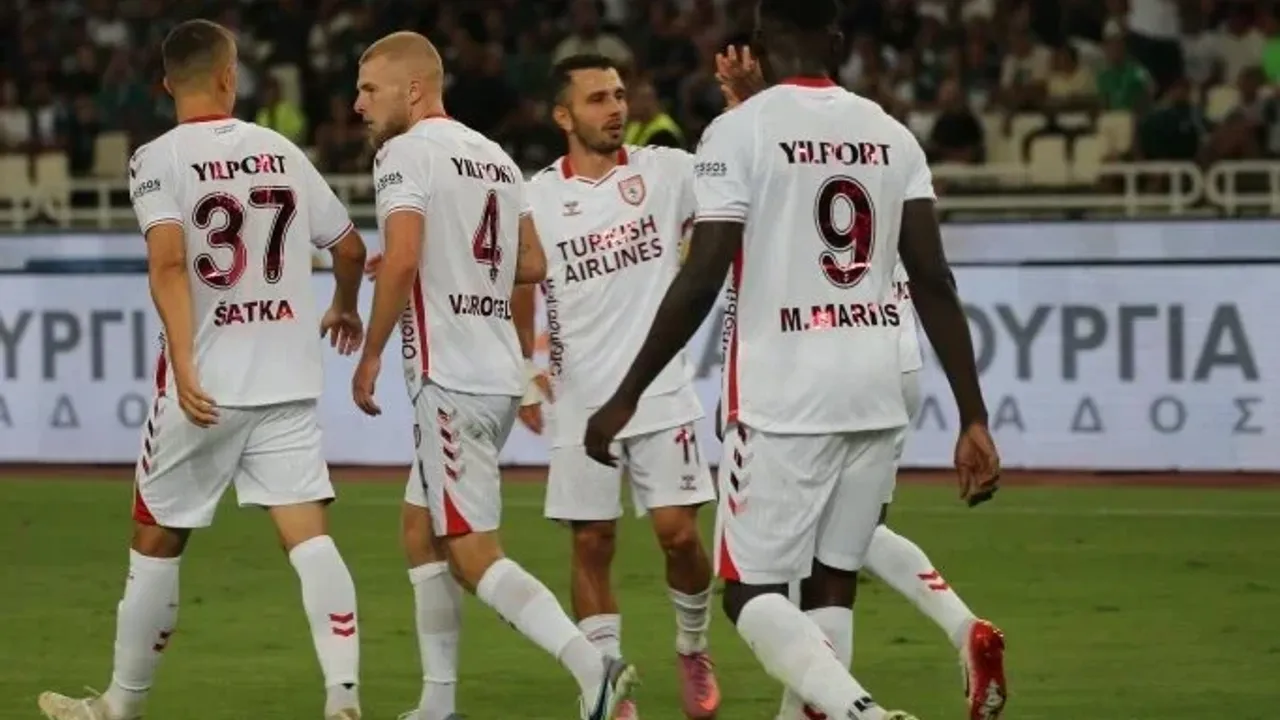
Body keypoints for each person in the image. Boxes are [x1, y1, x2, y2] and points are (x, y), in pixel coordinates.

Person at [584, 0, 1002, 718]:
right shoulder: (892, 132)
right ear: (836, 41)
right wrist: (973, 415)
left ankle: (862, 714)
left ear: (758, 45)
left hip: (784, 395)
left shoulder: (737, 130)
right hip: (877, 385)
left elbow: (702, 275)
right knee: (831, 579)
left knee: (749, 592)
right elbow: (934, 279)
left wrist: (626, 394)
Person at [38, 19, 369, 720]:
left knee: (156, 540)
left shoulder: (157, 158)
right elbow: (349, 248)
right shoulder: (281, 150)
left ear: (166, 84)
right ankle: (343, 696)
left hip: (206, 387)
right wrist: (343, 306)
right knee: (310, 538)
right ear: (230, 75)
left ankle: (120, 705)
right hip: (286, 381)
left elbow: (167, 263)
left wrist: (184, 362)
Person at [713, 46, 1010, 720]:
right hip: (886, 355)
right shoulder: (882, 137)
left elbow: (774, 196)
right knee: (839, 555)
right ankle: (960, 629)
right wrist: (973, 413)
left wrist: (748, 110)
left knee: (790, 570)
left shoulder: (759, 144)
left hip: (810, 364)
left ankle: (865, 700)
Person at [348, 31, 636, 720]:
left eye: (369, 89)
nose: (358, 105)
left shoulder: (402, 153)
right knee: (420, 529)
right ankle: (437, 702)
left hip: (450, 376)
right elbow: (532, 262)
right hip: (497, 371)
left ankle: (591, 667)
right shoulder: (495, 156)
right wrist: (450, 261)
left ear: (413, 89)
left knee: (472, 551)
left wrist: (371, 351)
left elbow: (405, 256)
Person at [521, 54, 721, 720]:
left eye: (618, 95)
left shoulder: (667, 172)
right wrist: (524, 369)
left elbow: (737, 182)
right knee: (591, 543)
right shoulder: (537, 196)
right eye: (597, 99)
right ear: (563, 115)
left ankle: (692, 646)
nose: (615, 108)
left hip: (660, 390)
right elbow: (518, 277)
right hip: (579, 399)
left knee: (679, 536)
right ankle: (606, 683)